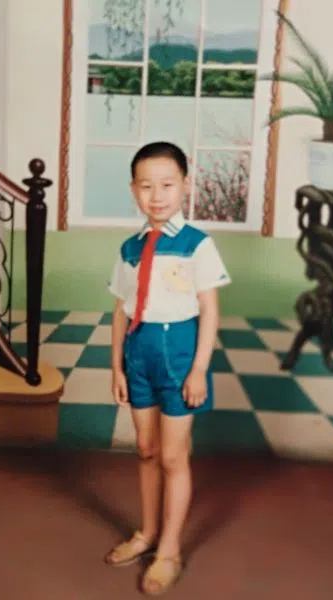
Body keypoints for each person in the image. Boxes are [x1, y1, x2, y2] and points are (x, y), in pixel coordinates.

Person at [103, 141, 231, 595]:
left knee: (175, 455)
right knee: (145, 448)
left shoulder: (197, 244)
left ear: (185, 186)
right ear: (134, 191)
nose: (157, 196)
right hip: (139, 351)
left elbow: (209, 310)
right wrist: (117, 365)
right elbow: (121, 309)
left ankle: (170, 549)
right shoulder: (130, 248)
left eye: (167, 184)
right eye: (146, 186)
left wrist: (199, 369)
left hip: (179, 352)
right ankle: (148, 531)